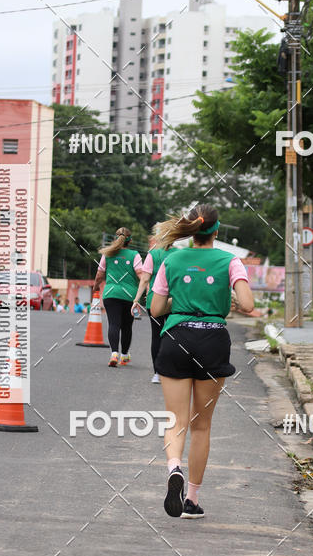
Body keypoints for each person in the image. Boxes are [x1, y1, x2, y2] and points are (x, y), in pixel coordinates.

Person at [150, 204, 254, 519]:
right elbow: (248, 304)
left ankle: (173, 469)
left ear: (192, 230)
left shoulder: (172, 259)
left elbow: (155, 309)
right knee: (201, 425)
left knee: (175, 421)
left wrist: (181, 297)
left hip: (176, 339)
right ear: (217, 231)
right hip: (212, 341)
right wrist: (225, 297)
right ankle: (192, 500)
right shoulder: (230, 261)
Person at [93, 226, 143, 367]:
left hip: (110, 294)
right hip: (130, 296)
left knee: (113, 324)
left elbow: (99, 275)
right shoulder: (135, 255)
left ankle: (114, 353)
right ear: (130, 240)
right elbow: (141, 275)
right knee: (127, 327)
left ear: (115, 238)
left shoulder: (107, 254)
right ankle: (124, 355)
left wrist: (96, 287)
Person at [131, 234, 172, 384]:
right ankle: (171, 371)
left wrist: (136, 299)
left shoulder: (153, 254)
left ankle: (157, 373)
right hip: (176, 300)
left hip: (155, 299)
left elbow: (145, 279)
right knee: (173, 335)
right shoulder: (180, 255)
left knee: (157, 335)